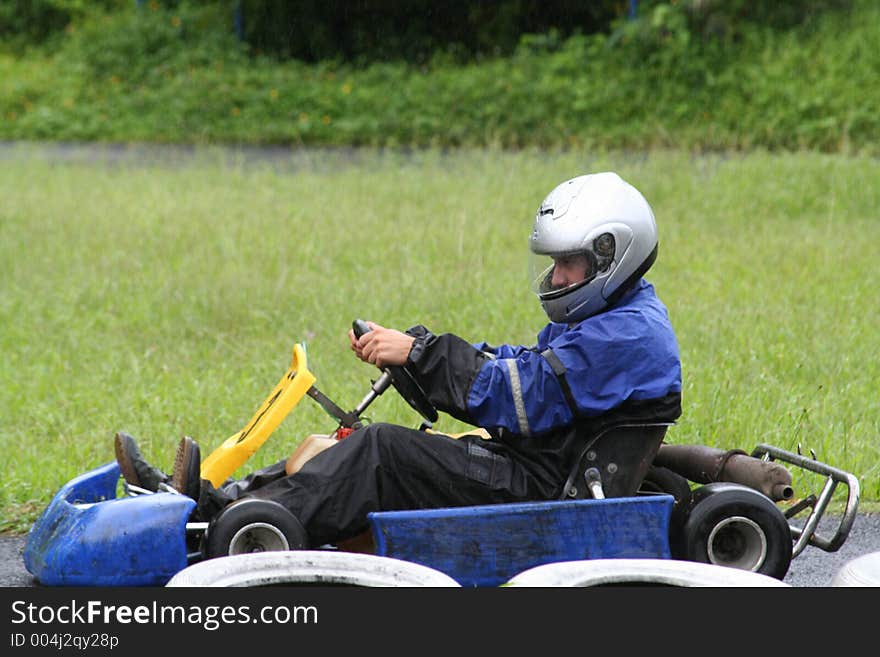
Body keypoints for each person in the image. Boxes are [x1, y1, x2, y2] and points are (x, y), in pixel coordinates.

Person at [116, 171, 683, 549]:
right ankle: (219, 502)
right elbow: (524, 364)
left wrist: (421, 355)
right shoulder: (615, 319)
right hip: (534, 467)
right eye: (556, 262)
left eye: (569, 263)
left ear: (611, 253)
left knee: (382, 451)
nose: (557, 276)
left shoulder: (626, 337)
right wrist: (419, 349)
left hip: (543, 495)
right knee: (349, 440)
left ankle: (222, 527)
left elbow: (521, 395)